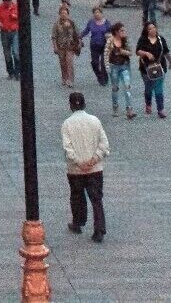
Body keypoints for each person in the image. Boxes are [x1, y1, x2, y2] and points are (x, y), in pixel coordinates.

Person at [60, 90, 109, 243]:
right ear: (84, 103)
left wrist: (79, 162)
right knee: (96, 199)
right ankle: (99, 229)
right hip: (95, 169)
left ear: (70, 106)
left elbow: (68, 149)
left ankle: (78, 222)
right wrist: (93, 160)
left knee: (77, 196)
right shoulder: (95, 121)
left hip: (75, 170)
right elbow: (104, 144)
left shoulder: (67, 124)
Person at [136, 21, 171, 119]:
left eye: (154, 27)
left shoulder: (161, 39)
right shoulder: (143, 40)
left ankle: (161, 109)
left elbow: (166, 52)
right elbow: (137, 51)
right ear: (146, 31)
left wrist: (170, 62)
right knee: (148, 88)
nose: (153, 30)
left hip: (160, 67)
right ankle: (148, 103)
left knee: (158, 88)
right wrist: (146, 53)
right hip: (146, 68)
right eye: (150, 28)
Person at [104, 22, 135, 118]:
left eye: (124, 30)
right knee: (115, 88)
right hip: (114, 66)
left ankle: (129, 109)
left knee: (127, 87)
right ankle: (115, 107)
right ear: (116, 32)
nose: (123, 32)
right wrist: (107, 66)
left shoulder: (125, 40)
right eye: (121, 30)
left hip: (124, 66)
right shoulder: (110, 41)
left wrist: (122, 51)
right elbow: (106, 54)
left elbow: (130, 53)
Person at [51, 3, 81, 86]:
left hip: (70, 45)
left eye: (65, 13)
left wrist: (79, 42)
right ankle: (64, 77)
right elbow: (54, 36)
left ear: (68, 14)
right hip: (60, 46)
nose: (63, 14)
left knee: (69, 62)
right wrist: (55, 47)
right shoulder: (56, 24)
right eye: (62, 13)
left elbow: (77, 34)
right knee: (62, 63)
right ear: (59, 14)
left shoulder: (72, 23)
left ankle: (70, 79)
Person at [0, 0, 22, 78]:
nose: (7, 5)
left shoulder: (16, 6)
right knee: (7, 53)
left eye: (8, 3)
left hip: (15, 31)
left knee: (15, 51)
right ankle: (10, 72)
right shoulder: (0, 7)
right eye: (5, 3)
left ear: (10, 1)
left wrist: (15, 16)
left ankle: (17, 72)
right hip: (4, 32)